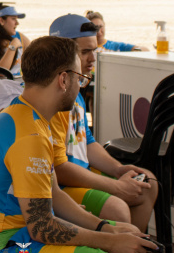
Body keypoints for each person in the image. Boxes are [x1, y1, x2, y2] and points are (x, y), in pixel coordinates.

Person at [0, 36, 154, 253]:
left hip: (10, 236)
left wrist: (105, 228)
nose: (80, 86)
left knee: (126, 235)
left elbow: (55, 195)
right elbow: (41, 227)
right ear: (64, 80)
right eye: (80, 79)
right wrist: (109, 240)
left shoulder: (22, 113)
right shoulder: (30, 136)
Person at [48, 14, 158, 234]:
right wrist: (117, 186)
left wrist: (118, 169)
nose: (93, 59)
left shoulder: (75, 87)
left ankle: (132, 248)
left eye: (94, 50)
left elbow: (86, 142)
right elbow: (58, 169)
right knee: (117, 210)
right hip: (61, 187)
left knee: (148, 184)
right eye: (85, 52)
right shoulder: (53, 96)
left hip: (82, 174)